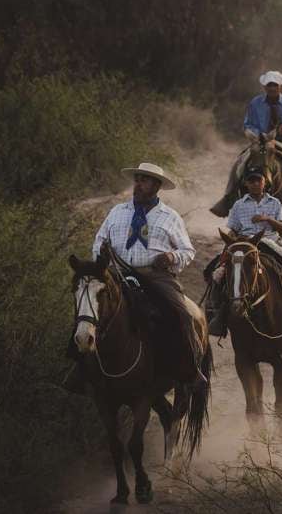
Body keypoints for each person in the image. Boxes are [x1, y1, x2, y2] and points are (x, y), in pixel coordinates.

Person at [64, 163, 206, 393]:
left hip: (156, 276)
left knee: (181, 313)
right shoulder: (117, 212)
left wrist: (171, 256)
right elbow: (99, 241)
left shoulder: (170, 217)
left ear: (157, 186)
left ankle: (191, 369)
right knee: (87, 306)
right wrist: (101, 254)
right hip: (117, 275)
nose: (138, 184)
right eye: (137, 179)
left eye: (145, 180)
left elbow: (187, 251)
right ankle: (80, 371)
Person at [211, 70, 282, 218]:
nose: (272, 88)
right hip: (260, 141)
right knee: (240, 161)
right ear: (264, 87)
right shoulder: (255, 103)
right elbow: (248, 123)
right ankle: (228, 197)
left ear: (280, 86)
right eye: (269, 85)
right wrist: (258, 134)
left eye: (275, 85)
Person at [206, 166, 282, 336]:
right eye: (251, 181)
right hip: (244, 244)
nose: (255, 184)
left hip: (271, 242)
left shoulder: (274, 203)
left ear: (264, 182)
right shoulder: (238, 205)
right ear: (246, 183)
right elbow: (233, 229)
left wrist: (267, 219)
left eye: (258, 180)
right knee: (215, 271)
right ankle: (217, 313)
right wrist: (229, 241)